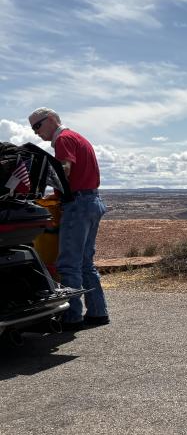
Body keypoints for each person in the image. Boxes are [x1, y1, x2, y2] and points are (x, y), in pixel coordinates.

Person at [29, 107, 109, 329]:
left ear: (51, 120)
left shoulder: (63, 139)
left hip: (77, 204)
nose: (36, 132)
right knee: (85, 263)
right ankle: (98, 313)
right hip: (91, 201)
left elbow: (64, 169)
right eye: (33, 129)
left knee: (68, 264)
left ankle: (72, 317)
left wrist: (41, 181)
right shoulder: (77, 137)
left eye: (38, 126)